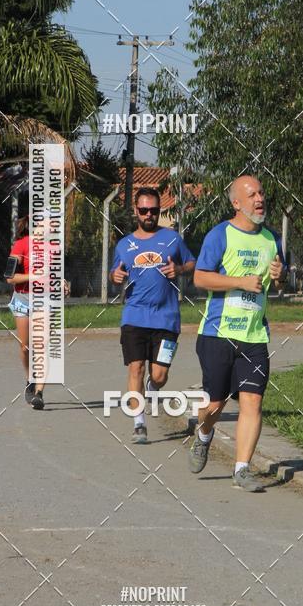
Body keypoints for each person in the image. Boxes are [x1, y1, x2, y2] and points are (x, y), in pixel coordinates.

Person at [189, 175, 287, 492]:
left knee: (252, 402)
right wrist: (239, 282)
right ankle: (204, 434)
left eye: (261, 193)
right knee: (214, 405)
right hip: (217, 334)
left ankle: (241, 469)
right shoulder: (220, 235)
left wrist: (281, 277)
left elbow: (280, 283)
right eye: (252, 194)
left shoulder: (272, 239)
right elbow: (200, 278)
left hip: (254, 336)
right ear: (236, 203)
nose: (260, 199)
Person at [110, 187, 195, 444]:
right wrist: (115, 276)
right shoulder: (124, 245)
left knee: (159, 375)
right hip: (134, 316)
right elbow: (114, 273)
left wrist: (179, 269)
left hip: (167, 318)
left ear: (159, 211)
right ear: (136, 211)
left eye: (154, 210)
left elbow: (192, 263)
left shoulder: (172, 239)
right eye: (144, 210)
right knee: (135, 367)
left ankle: (153, 387)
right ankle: (139, 424)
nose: (149, 215)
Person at [6, 215, 70, 409]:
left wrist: (62, 283)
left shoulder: (54, 248)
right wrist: (33, 276)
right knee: (25, 347)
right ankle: (30, 380)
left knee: (42, 346)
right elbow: (9, 277)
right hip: (23, 300)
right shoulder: (20, 245)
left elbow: (54, 274)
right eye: (51, 222)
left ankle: (39, 393)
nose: (54, 227)